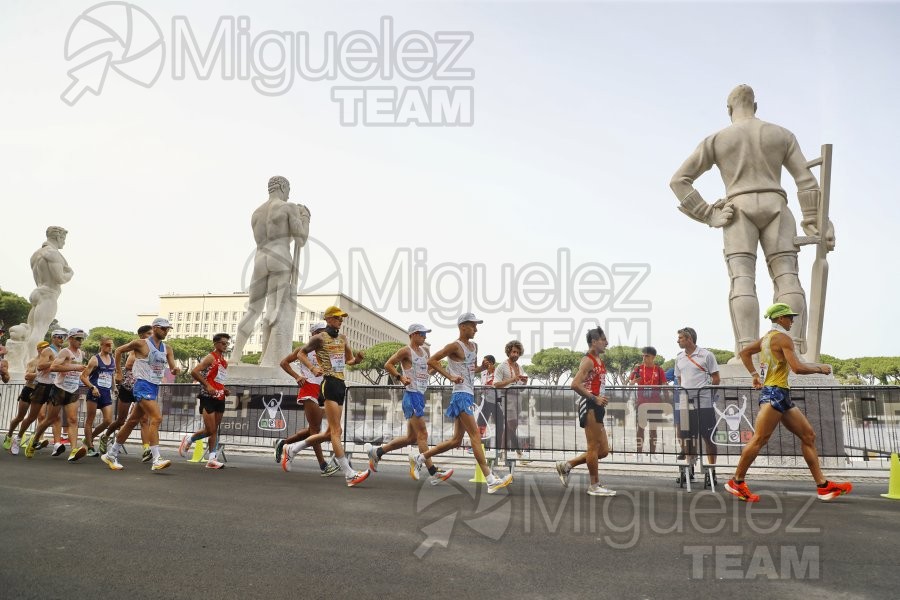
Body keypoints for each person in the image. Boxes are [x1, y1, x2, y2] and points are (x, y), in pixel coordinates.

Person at [670, 84, 833, 358]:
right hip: (777, 207)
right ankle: (791, 351)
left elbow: (678, 181)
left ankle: (747, 351)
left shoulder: (718, 139)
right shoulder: (781, 134)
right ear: (755, 106)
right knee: (788, 278)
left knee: (742, 280)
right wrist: (815, 221)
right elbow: (807, 182)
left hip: (737, 209)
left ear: (728, 109)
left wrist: (708, 213)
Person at [724, 303, 852, 503]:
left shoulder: (766, 338)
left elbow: (744, 353)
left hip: (781, 395)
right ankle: (736, 482)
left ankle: (823, 486)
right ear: (780, 318)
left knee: (808, 435)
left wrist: (755, 376)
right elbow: (797, 368)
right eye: (790, 317)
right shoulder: (782, 338)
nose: (792, 321)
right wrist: (820, 368)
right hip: (775, 394)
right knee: (759, 439)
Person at [415, 313, 514, 494]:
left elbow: (471, 370)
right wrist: (451, 376)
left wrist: (481, 369)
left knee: (455, 441)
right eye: (473, 325)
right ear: (462, 327)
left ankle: (421, 457)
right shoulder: (454, 346)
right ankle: (490, 479)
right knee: (476, 435)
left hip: (469, 393)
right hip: (460, 395)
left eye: (476, 326)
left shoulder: (474, 346)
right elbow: (432, 361)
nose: (476, 329)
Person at [280, 306, 370, 487]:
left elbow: (348, 360)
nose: (341, 321)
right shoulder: (319, 338)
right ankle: (349, 474)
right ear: (328, 319)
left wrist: (357, 360)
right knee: (335, 432)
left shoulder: (343, 338)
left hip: (340, 384)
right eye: (337, 318)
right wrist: (312, 368)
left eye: (342, 318)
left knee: (332, 432)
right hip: (328, 383)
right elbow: (300, 353)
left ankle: (292, 448)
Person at [230, 176, 310, 366]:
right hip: (280, 259)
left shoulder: (256, 213)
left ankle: (235, 356)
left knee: (252, 310)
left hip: (260, 260)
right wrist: (305, 217)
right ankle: (267, 359)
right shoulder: (288, 206)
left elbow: (274, 236)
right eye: (288, 189)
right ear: (283, 187)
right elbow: (301, 239)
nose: (289, 194)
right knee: (273, 310)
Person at [367, 323, 454, 485]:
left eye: (425, 334)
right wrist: (401, 378)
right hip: (411, 395)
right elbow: (388, 364)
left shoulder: (426, 351)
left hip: (420, 395)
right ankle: (433, 472)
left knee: (410, 438)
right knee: (423, 435)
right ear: (413, 334)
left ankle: (377, 451)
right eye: (422, 334)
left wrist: (435, 370)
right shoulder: (406, 351)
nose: (425, 337)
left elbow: (425, 373)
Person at [102, 318, 181, 471]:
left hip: (153, 387)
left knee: (131, 421)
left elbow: (172, 368)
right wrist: (118, 372)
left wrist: (175, 370)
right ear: (155, 327)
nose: (166, 331)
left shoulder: (168, 349)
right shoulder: (141, 344)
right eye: (163, 328)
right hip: (142, 385)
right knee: (156, 417)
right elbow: (118, 351)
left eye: (168, 329)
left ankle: (111, 454)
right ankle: (156, 459)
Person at [555, 326, 616, 496]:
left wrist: (599, 400)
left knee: (603, 450)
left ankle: (567, 465)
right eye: (603, 339)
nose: (607, 342)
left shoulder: (599, 361)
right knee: (593, 447)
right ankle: (594, 485)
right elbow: (575, 384)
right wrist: (595, 398)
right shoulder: (588, 360)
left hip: (597, 407)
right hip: (589, 405)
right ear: (594, 342)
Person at [274, 322, 340, 476]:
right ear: (314, 333)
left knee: (314, 429)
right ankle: (323, 465)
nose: (326, 335)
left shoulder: (328, 350)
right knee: (316, 430)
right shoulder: (302, 350)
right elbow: (284, 363)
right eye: (322, 332)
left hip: (324, 390)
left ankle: (284, 443)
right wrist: (297, 376)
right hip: (309, 388)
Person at [30, 328, 88, 463]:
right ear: (71, 339)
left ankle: (74, 450)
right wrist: (74, 368)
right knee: (50, 419)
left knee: (73, 420)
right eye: (78, 338)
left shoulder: (81, 353)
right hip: (59, 389)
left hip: (73, 389)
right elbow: (53, 367)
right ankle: (36, 439)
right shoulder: (64, 352)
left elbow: (78, 369)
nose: (80, 341)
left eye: (82, 338)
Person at [98, 325, 153, 457]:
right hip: (128, 387)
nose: (152, 336)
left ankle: (146, 449)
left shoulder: (154, 349)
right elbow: (124, 358)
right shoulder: (136, 347)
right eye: (149, 334)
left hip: (142, 388)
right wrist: (118, 372)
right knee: (121, 420)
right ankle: (105, 436)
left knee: (144, 419)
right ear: (141, 335)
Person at [179, 333, 231, 469]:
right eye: (223, 343)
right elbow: (194, 371)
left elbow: (218, 379)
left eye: (227, 343)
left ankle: (212, 459)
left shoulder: (224, 361)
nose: (225, 345)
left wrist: (224, 389)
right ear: (215, 344)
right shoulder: (210, 357)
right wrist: (207, 386)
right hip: (207, 397)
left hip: (220, 397)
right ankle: (189, 439)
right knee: (210, 429)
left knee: (215, 430)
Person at [674, 327, 720, 478]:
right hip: (685, 402)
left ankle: (711, 470)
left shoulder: (707, 355)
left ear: (689, 339)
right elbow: (680, 378)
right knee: (687, 436)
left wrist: (708, 395)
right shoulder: (679, 357)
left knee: (708, 437)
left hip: (704, 403)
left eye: (680, 338)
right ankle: (689, 467)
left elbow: (716, 379)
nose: (678, 340)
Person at [25, 226, 74, 358]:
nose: (64, 242)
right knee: (40, 330)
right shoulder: (53, 253)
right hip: (49, 294)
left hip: (38, 291)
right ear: (58, 237)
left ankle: (25, 360)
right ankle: (32, 361)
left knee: (31, 330)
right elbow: (59, 278)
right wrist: (70, 273)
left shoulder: (35, 254)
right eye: (63, 238)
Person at [19, 329, 67, 458]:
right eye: (59, 336)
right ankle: (19, 437)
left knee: (56, 417)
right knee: (33, 416)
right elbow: (40, 366)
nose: (61, 339)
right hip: (42, 386)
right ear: (53, 338)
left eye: (64, 337)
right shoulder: (48, 351)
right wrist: (55, 362)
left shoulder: (63, 352)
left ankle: (56, 444)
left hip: (55, 386)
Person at [4, 341, 45, 454]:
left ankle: (29, 439)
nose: (45, 350)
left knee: (37, 416)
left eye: (47, 348)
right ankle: (9, 434)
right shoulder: (34, 361)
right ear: (38, 349)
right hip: (29, 389)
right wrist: (40, 374)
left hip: (41, 391)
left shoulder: (50, 361)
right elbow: (27, 376)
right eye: (43, 348)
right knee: (20, 417)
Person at [79, 336, 116, 457]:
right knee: (90, 420)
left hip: (106, 393)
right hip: (94, 392)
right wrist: (92, 387)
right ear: (101, 345)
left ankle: (89, 439)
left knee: (108, 421)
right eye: (107, 345)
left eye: (111, 345)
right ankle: (90, 447)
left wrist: (114, 388)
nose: (110, 347)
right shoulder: (95, 359)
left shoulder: (113, 359)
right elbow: (83, 377)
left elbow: (112, 375)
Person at [628, 346, 668, 461]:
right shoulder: (638, 369)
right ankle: (639, 453)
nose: (644, 358)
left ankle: (652, 454)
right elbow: (630, 384)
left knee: (653, 430)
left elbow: (665, 386)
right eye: (643, 355)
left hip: (656, 404)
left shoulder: (659, 370)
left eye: (647, 356)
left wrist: (667, 402)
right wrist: (633, 382)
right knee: (640, 429)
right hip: (641, 404)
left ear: (653, 357)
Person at [493, 340, 530, 462]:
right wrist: (512, 379)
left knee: (511, 427)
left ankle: (503, 452)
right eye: (514, 351)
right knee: (511, 425)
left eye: (518, 353)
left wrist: (524, 383)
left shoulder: (520, 367)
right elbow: (496, 384)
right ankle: (517, 452)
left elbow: (521, 389)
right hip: (507, 397)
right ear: (509, 351)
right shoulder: (502, 366)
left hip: (517, 398)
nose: (516, 354)